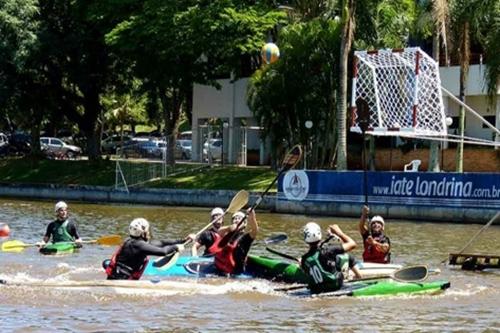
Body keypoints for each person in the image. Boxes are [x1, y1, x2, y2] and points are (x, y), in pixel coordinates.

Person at [105, 218, 195, 280]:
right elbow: (163, 252)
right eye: (147, 231)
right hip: (122, 280)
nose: (148, 233)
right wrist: (176, 247)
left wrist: (183, 240)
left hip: (116, 276)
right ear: (142, 233)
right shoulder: (139, 245)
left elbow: (162, 243)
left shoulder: (132, 242)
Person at [301, 222, 362, 294]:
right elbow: (352, 244)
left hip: (316, 290)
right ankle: (348, 277)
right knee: (342, 257)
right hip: (335, 286)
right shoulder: (329, 250)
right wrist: (339, 233)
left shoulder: (304, 259)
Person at [214, 209, 258, 275]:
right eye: (235, 219)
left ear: (245, 223)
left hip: (236, 272)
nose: (237, 220)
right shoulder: (227, 234)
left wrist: (252, 217)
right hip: (221, 269)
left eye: (239, 218)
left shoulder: (246, 238)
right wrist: (228, 228)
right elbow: (219, 231)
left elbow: (255, 231)